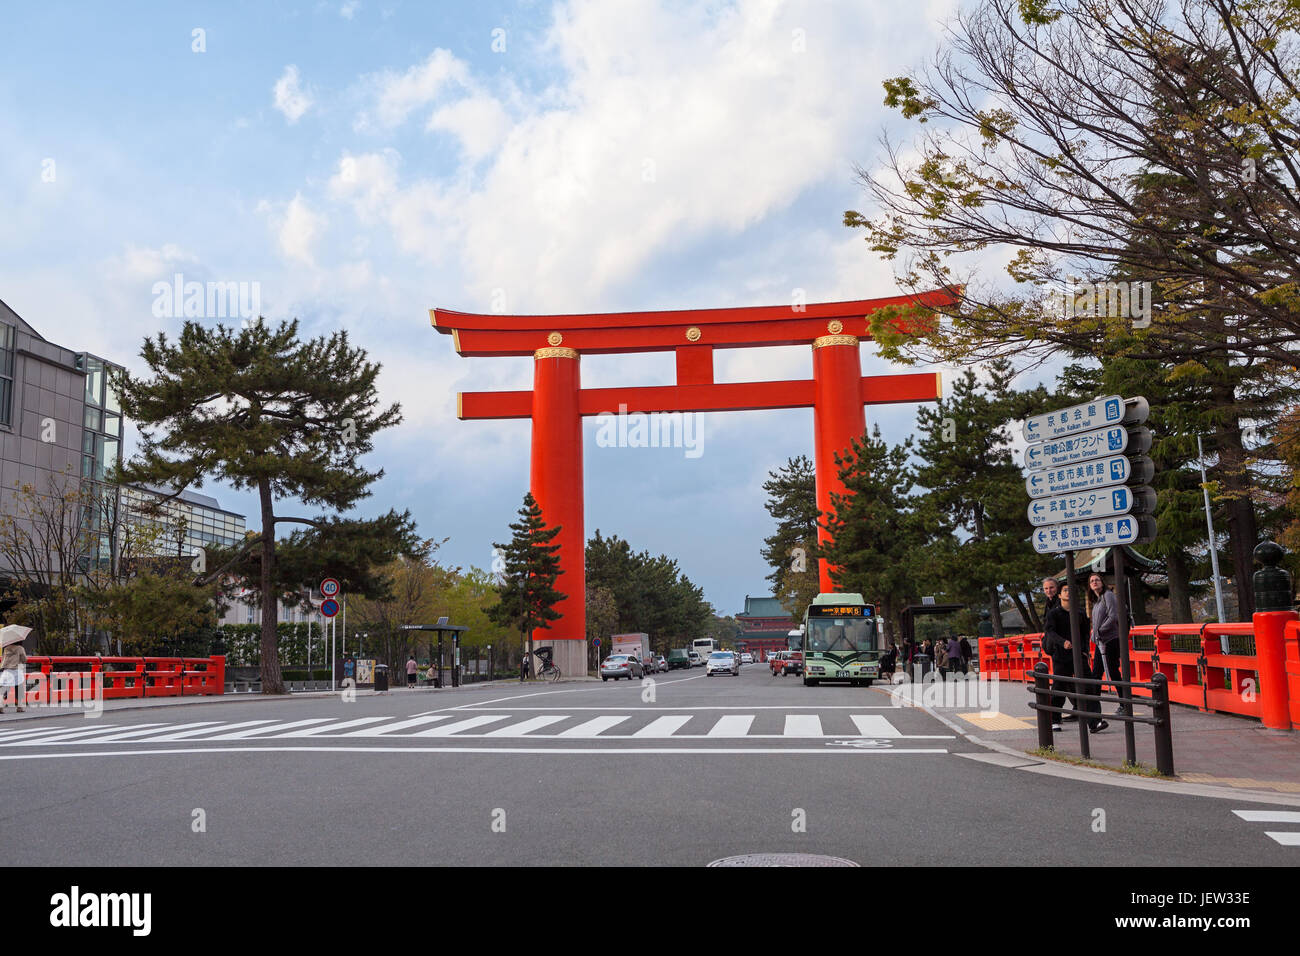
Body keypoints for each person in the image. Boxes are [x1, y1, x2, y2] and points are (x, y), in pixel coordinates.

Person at [1043, 584, 1107, 734]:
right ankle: (1054, 720)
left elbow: (1085, 634)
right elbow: (1049, 632)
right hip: (1061, 655)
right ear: (1059, 595)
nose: (1068, 593)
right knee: (1059, 687)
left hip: (1079, 655)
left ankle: (1095, 722)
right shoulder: (1054, 613)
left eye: (1070, 590)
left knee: (1088, 686)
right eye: (1065, 590)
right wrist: (1062, 642)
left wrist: (1085, 651)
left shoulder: (1080, 612)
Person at [1088, 573, 1124, 715]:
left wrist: (1100, 631)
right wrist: (1094, 633)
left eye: (1097, 580)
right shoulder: (1097, 601)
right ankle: (1094, 708)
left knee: (1114, 672)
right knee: (1096, 673)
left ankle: (1125, 703)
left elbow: (1113, 615)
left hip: (1110, 639)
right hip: (1100, 641)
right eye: (1092, 581)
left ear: (1102, 582)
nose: (1095, 582)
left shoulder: (1108, 595)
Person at [0, 634, 29, 713]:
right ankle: (19, 707)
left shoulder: (6, 648)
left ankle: (0, 706)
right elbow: (24, 660)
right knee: (19, 688)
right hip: (17, 671)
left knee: (3, 689)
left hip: (7, 670)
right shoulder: (20, 648)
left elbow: (4, 660)